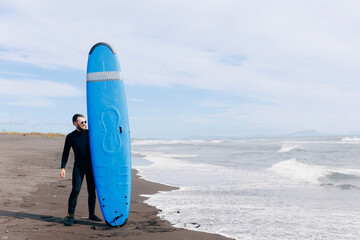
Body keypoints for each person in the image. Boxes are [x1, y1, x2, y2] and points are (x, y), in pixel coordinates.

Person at [60, 113, 102, 226]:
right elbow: (65, 153)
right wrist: (63, 167)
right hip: (79, 167)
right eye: (82, 122)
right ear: (75, 123)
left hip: (91, 167)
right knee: (76, 190)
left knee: (92, 191)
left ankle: (92, 214)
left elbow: (104, 136)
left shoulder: (90, 134)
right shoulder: (70, 137)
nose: (84, 124)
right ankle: (70, 216)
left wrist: (122, 133)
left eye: (85, 122)